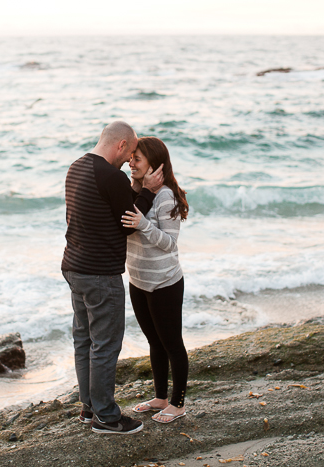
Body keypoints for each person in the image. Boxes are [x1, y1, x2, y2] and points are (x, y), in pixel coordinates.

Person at [61, 121, 163, 435]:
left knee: (84, 340)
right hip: (100, 273)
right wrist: (148, 191)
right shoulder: (111, 176)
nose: (129, 159)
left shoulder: (76, 167)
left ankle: (89, 408)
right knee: (105, 344)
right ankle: (106, 416)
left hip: (73, 266)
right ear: (120, 145)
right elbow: (130, 221)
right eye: (130, 151)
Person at [121, 136, 189, 423]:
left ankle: (178, 403)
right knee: (154, 341)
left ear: (155, 165)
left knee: (172, 342)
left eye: (137, 158)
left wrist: (144, 225)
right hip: (138, 280)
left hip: (164, 283)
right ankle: (160, 396)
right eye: (131, 157)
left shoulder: (166, 196)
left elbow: (170, 244)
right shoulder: (135, 191)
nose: (130, 162)